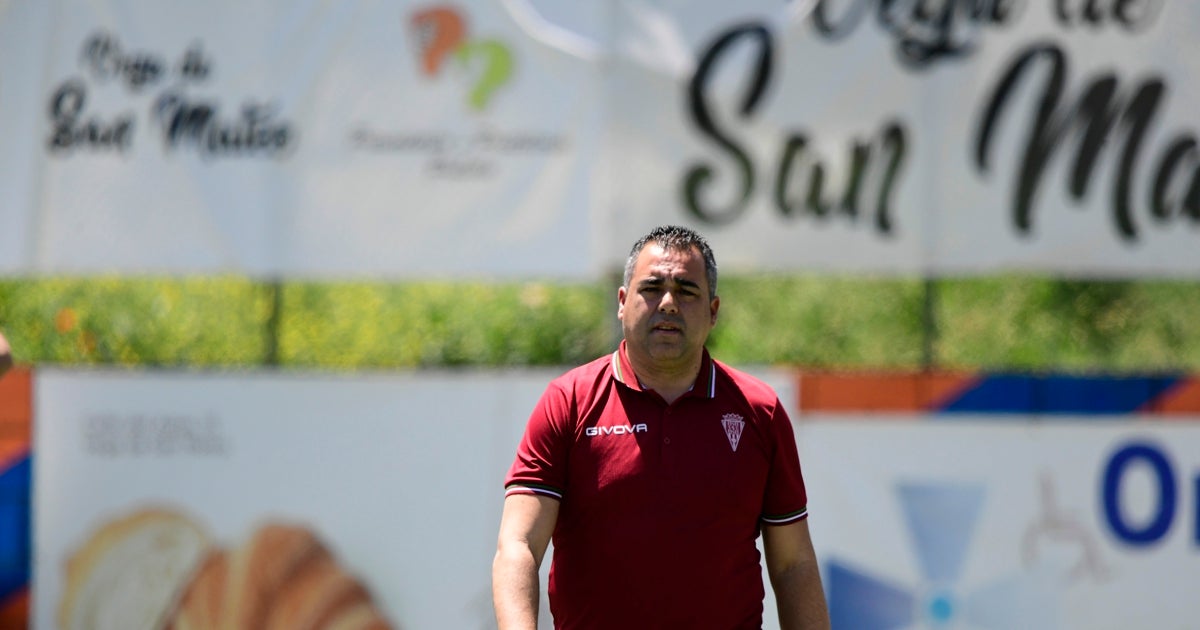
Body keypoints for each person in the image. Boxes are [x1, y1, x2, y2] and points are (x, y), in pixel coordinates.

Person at [493, 225, 829, 629]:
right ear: (622, 302)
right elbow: (518, 545)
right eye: (652, 288)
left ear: (713, 311)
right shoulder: (569, 402)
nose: (668, 303)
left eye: (687, 291)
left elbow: (794, 564)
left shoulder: (760, 412)